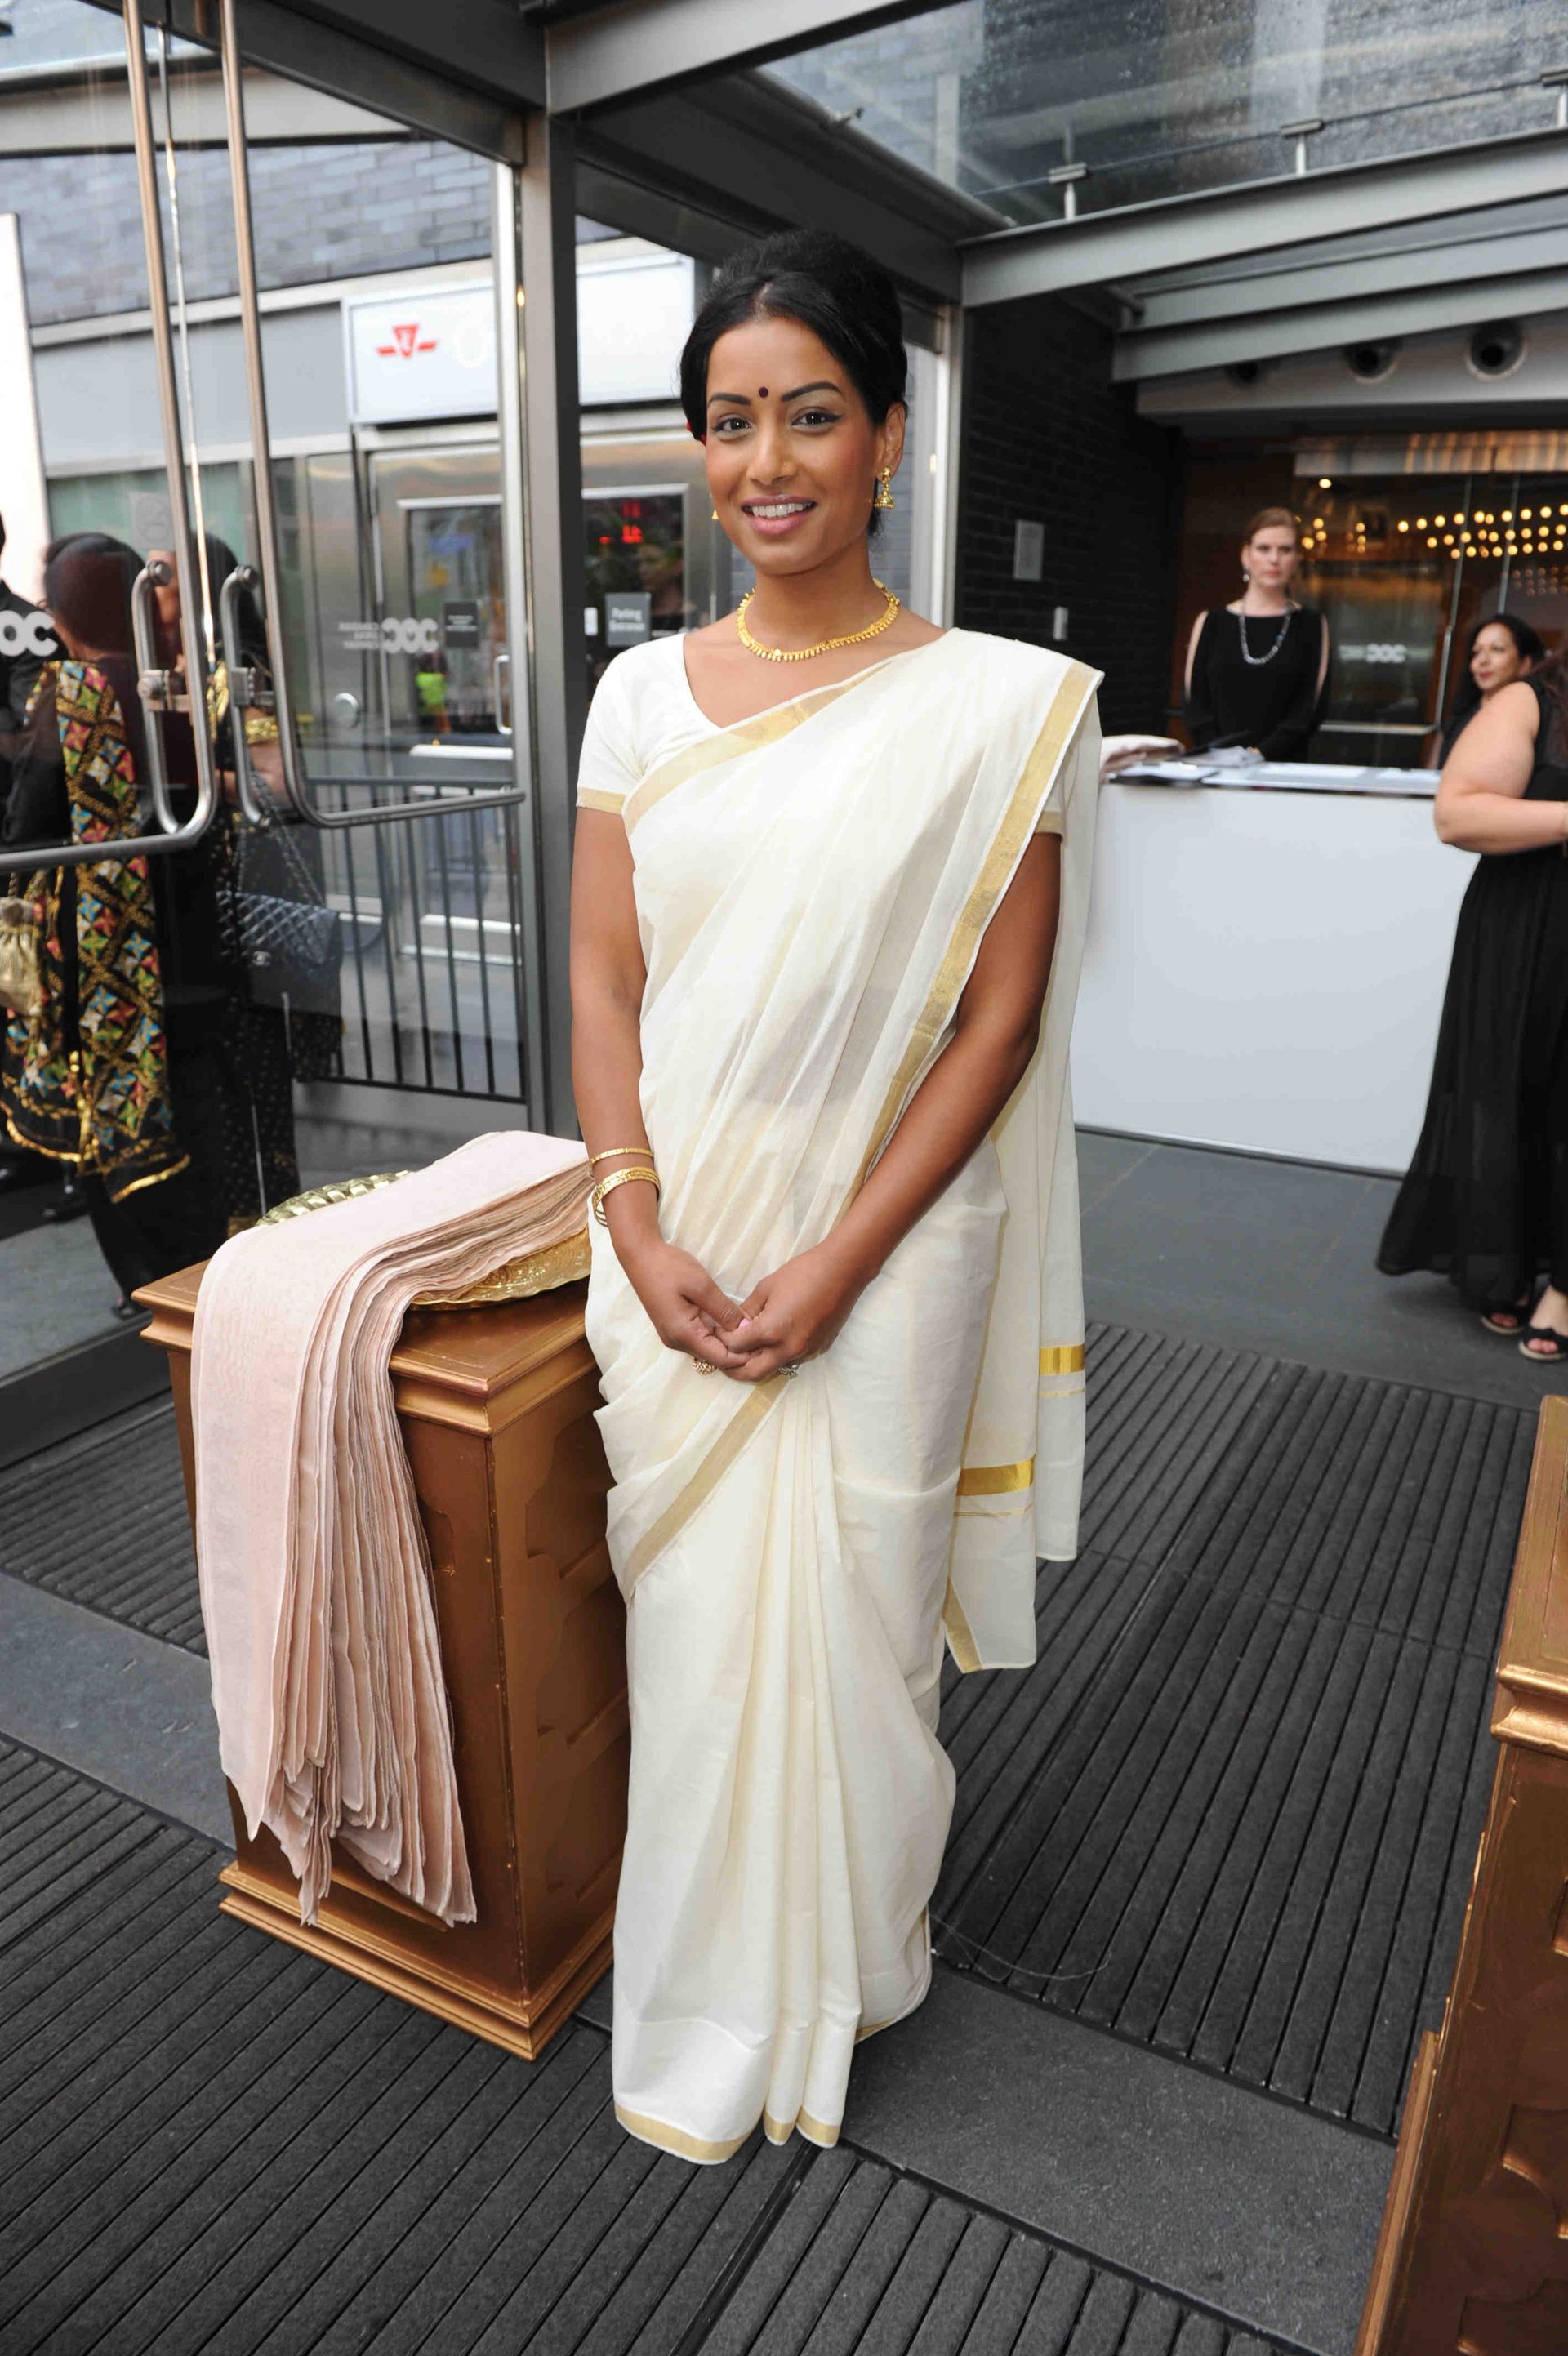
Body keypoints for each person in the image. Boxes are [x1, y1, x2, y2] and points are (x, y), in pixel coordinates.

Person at [570, 229, 1102, 2161]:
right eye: (729, 422)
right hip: (674, 1241)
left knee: (863, 1631)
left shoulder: (999, 708)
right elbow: (604, 978)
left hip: (880, 1258)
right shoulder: (637, 697)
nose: (767, 460)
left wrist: (833, 1265)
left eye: (810, 413)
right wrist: (632, 1221)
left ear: (889, 434)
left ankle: (858, 1958)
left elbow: (999, 1018)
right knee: (694, 1642)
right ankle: (711, 2001)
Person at [1, 532, 232, 1307]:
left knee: (118, 1118)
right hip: (193, 938)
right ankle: (211, 1271)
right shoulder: (179, 687)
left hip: (107, 969)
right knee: (198, 1108)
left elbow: (27, 829)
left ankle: (155, 1285)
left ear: (65, 612)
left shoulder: (71, 696)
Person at [1378, 640, 1568, 1357]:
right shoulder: (1535, 701)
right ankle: (1506, 1260)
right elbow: (1457, 815)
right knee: (1511, 1088)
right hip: (1527, 923)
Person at [1183, 505, 1329, 759]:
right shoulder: (1211, 622)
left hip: (1283, 771)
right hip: (1216, 769)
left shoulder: (1312, 624)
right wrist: (1224, 757)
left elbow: (1308, 710)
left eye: (1285, 550)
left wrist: (1259, 755)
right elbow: (1195, 706)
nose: (1274, 559)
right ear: (1246, 556)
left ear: (1296, 559)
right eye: (1264, 548)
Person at [1427, 612, 1545, 766]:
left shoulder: (1541, 722)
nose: (1483, 660)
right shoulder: (1456, 723)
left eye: (1497, 649)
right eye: (1476, 652)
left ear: (1525, 664)